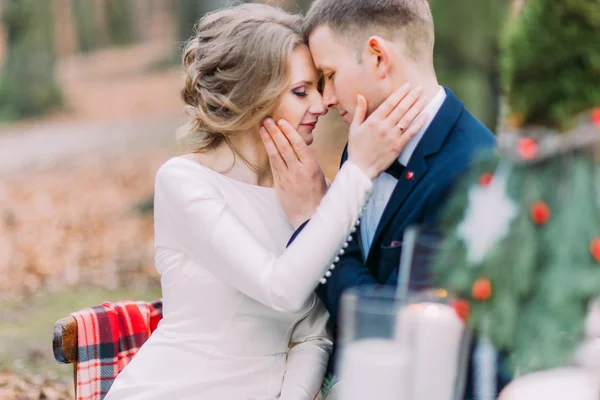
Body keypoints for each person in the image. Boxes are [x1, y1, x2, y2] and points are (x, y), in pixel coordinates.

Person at [105, 3, 425, 400]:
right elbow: (280, 288)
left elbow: (315, 335)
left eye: (319, 85)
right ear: (252, 95)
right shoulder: (185, 182)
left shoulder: (312, 193)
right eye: (301, 91)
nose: (322, 104)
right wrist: (357, 174)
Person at [259, 0, 509, 397]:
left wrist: (313, 221)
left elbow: (392, 322)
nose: (323, 100)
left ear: (378, 57)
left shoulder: (475, 172)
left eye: (328, 75)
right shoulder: (364, 142)